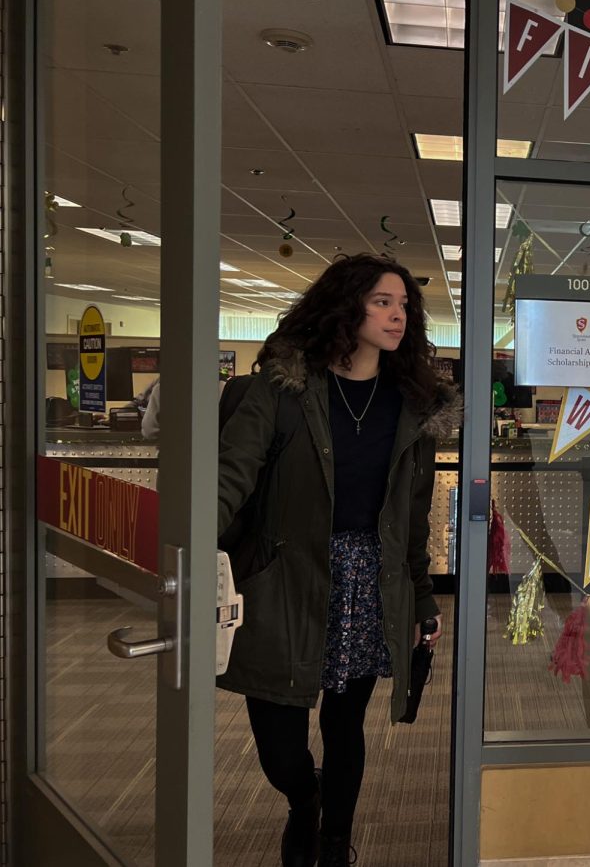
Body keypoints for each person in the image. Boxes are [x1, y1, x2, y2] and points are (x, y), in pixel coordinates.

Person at [217, 254, 459, 867]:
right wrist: (190, 552)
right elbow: (230, 476)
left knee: (346, 727)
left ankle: (332, 840)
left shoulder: (411, 404)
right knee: (279, 744)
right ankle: (305, 798)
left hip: (368, 581)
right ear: (344, 306)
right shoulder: (284, 389)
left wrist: (422, 598)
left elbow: (412, 517)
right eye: (381, 301)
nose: (396, 314)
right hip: (286, 580)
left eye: (403, 305)